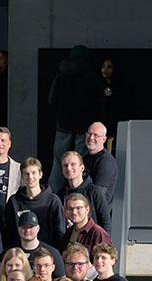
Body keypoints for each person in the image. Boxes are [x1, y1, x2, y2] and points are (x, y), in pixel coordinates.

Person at [47, 44, 104, 195]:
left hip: (63, 125)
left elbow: (51, 99)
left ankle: (53, 197)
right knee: (78, 164)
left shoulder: (61, 75)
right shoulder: (92, 76)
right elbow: (100, 102)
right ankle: (78, 196)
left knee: (59, 163)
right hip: (84, 127)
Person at [4, 157, 66, 250]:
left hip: (47, 255)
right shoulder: (14, 201)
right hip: (20, 255)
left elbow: (60, 232)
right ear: (22, 176)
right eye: (26, 174)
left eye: (34, 173)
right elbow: (9, 233)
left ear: (40, 174)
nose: (30, 177)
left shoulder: (53, 201)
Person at [58, 154, 111, 235]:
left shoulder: (94, 192)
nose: (68, 168)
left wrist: (103, 244)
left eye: (73, 164)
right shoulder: (60, 194)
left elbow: (105, 220)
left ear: (82, 168)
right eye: (65, 165)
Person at [16, 211, 65, 277]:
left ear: (38, 228)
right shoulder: (11, 252)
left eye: (31, 227)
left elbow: (60, 280)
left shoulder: (53, 253)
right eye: (24, 227)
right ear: (18, 228)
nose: (27, 230)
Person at [83, 121, 118, 208]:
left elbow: (97, 196)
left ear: (104, 139)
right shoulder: (85, 158)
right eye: (89, 134)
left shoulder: (105, 162)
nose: (91, 138)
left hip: (96, 217)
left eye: (96, 135)